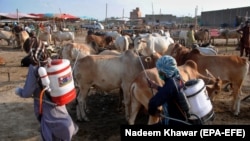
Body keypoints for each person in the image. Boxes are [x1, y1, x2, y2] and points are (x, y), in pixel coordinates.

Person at [15, 35, 78, 140]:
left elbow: (27, 92)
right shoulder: (50, 61)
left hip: (45, 106)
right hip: (59, 102)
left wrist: (19, 91)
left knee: (49, 131)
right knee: (62, 124)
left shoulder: (34, 68)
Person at [147, 55, 191, 125]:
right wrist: (156, 86)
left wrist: (153, 112)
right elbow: (170, 93)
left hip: (174, 122)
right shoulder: (178, 78)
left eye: (160, 72)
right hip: (182, 118)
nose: (159, 74)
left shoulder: (171, 83)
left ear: (166, 71)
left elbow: (153, 103)